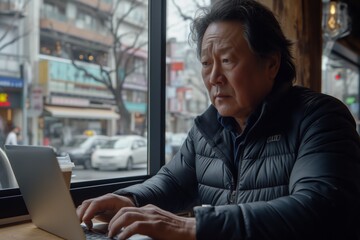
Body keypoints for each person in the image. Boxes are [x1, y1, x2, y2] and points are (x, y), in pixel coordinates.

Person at [77, 1, 360, 239]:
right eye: (206, 63)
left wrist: (196, 226)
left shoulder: (320, 117)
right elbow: (172, 183)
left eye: (226, 61)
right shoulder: (207, 128)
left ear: (271, 64)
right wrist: (129, 199)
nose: (213, 77)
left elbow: (319, 208)